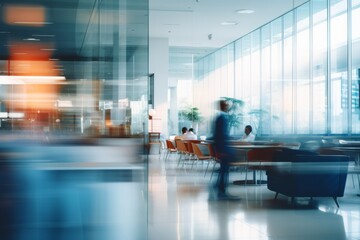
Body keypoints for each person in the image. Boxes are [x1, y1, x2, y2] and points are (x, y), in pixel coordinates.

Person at [212, 100, 238, 199]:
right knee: (224, 170)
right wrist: (221, 150)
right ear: (224, 106)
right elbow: (220, 135)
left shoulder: (219, 117)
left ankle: (219, 187)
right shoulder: (222, 118)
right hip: (223, 148)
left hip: (222, 147)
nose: (228, 107)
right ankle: (221, 190)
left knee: (224, 169)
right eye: (226, 105)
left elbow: (218, 134)